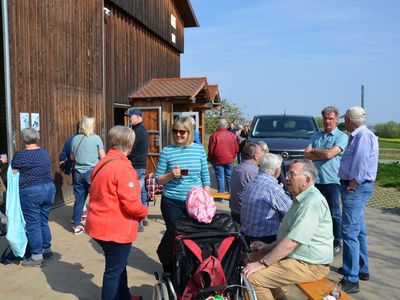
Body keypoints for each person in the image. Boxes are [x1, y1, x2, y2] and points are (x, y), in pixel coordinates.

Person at [243, 160, 333, 300]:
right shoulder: (301, 199)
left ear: (307, 180)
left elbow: (293, 241)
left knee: (252, 278)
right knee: (250, 261)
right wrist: (268, 247)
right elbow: (288, 235)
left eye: (292, 174)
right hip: (299, 260)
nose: (286, 177)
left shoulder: (312, 202)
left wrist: (263, 263)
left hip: (311, 265)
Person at [85, 126, 148, 300]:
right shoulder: (123, 169)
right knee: (113, 271)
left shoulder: (102, 162)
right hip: (114, 230)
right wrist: (144, 211)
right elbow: (132, 205)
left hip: (98, 226)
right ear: (129, 145)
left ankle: (125, 296)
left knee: (118, 266)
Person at [155, 117, 211, 272]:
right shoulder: (167, 151)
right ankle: (171, 266)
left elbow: (205, 177)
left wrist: (207, 199)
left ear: (190, 133)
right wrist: (171, 175)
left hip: (195, 203)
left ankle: (190, 268)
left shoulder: (199, 150)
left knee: (194, 236)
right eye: (175, 131)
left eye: (182, 132)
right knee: (176, 235)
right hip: (172, 202)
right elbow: (158, 180)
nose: (178, 135)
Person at [337, 106, 379, 294]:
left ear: (348, 119)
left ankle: (351, 277)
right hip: (356, 186)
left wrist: (352, 184)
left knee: (349, 231)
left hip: (354, 187)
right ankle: (361, 269)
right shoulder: (361, 135)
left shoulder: (362, 136)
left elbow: (361, 163)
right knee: (358, 229)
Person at [304, 106, 348, 256]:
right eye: (325, 118)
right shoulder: (316, 135)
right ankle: (320, 239)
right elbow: (306, 155)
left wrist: (316, 152)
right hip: (316, 180)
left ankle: (337, 241)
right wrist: (322, 153)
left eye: (331, 118)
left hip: (332, 181)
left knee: (335, 213)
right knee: (316, 212)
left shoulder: (342, 136)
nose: (328, 121)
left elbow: (329, 154)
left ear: (336, 119)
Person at [11, 128, 56, 267]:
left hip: (31, 192)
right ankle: (47, 250)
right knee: (43, 220)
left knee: (33, 224)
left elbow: (13, 171)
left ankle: (36, 257)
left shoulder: (20, 155)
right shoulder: (44, 153)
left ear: (23, 139)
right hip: (49, 188)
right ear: (36, 138)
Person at [240, 153, 292, 245]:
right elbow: (292, 212)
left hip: (247, 235)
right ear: (277, 170)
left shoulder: (251, 182)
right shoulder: (272, 188)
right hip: (265, 239)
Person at [71, 116, 105, 235]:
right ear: (90, 126)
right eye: (94, 124)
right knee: (96, 200)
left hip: (77, 172)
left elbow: (72, 157)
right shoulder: (96, 138)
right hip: (92, 172)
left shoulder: (75, 139)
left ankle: (76, 225)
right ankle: (96, 226)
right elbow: (103, 157)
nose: (95, 126)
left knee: (79, 200)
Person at [125, 108, 150, 232]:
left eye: (131, 116)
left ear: (138, 117)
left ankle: (139, 222)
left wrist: (125, 156)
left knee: (136, 193)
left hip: (136, 165)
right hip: (141, 165)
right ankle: (144, 217)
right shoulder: (142, 130)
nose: (129, 118)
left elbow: (132, 150)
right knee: (142, 191)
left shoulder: (137, 131)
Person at [229, 142, 264, 224]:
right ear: (256, 156)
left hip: (234, 210)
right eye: (261, 153)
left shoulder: (236, 168)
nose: (263, 156)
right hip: (246, 214)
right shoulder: (255, 172)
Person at [208, 119, 238, 193]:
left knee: (220, 177)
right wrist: (233, 156)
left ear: (218, 125)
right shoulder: (232, 135)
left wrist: (210, 158)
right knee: (229, 177)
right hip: (230, 159)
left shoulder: (214, 135)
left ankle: (221, 196)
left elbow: (211, 149)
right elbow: (236, 149)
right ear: (226, 125)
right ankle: (231, 195)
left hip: (218, 160)